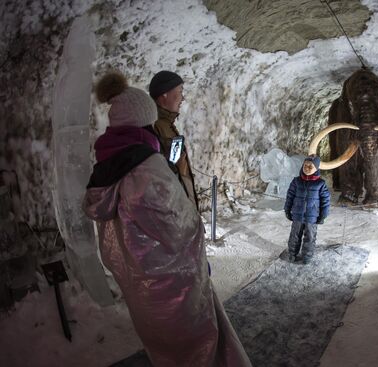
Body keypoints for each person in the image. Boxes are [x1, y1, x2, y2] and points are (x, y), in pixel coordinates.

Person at [82, 71, 251, 367]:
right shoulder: (147, 167)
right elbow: (180, 226)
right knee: (191, 343)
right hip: (169, 277)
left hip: (140, 278)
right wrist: (196, 246)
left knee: (161, 342)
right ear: (144, 120)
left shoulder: (108, 165)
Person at [148, 70, 199, 209]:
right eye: (180, 91)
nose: (182, 98)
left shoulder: (166, 124)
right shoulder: (155, 126)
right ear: (165, 94)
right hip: (173, 210)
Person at [284, 155, 331, 264]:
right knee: (294, 236)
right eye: (306, 165)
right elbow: (290, 196)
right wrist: (287, 209)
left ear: (317, 168)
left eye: (311, 166)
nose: (307, 168)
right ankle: (292, 254)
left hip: (312, 216)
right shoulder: (296, 181)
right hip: (297, 215)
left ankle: (307, 257)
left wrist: (323, 215)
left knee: (310, 237)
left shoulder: (320, 184)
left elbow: (325, 201)